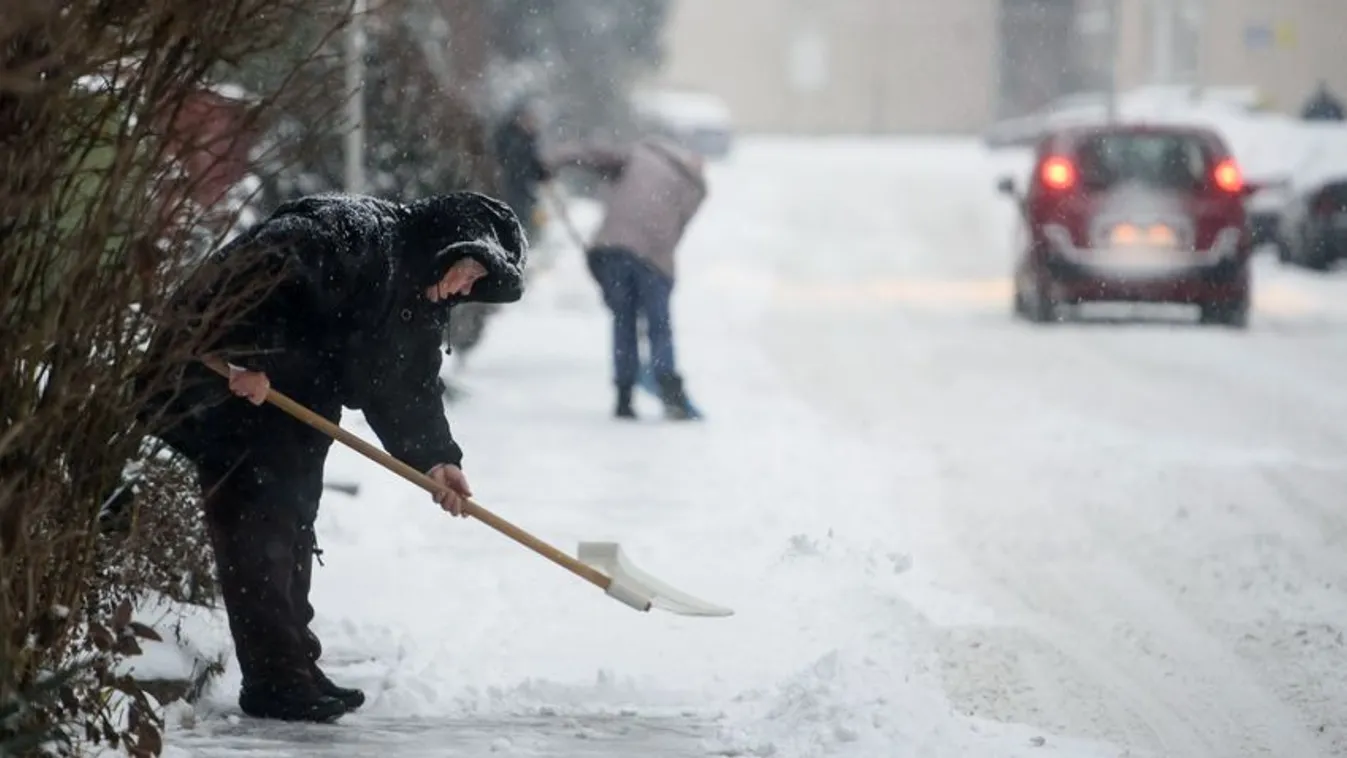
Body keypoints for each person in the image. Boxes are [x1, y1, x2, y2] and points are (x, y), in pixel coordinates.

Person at [136, 191, 527, 723]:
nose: (466, 288)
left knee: (293, 519)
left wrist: (437, 459)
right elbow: (248, 278)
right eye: (468, 271)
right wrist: (243, 355)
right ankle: (276, 680)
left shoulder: (420, 297)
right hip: (221, 381)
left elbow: (407, 386)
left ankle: (295, 665)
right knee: (259, 524)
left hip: (296, 395)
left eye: (477, 284)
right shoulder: (350, 233)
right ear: (443, 246)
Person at [546, 136, 706, 420]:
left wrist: (557, 158)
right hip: (653, 261)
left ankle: (624, 396)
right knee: (659, 326)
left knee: (624, 321)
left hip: (614, 250)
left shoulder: (640, 155)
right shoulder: (694, 187)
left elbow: (595, 156)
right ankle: (668, 387)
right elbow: (675, 230)